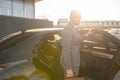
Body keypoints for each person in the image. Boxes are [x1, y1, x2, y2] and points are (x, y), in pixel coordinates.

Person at [60, 10, 94, 78]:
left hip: (75, 61)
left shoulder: (74, 28)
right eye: (76, 17)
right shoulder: (68, 30)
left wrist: (87, 35)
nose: (79, 19)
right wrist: (68, 68)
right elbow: (66, 50)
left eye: (80, 17)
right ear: (70, 17)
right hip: (71, 64)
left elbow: (77, 40)